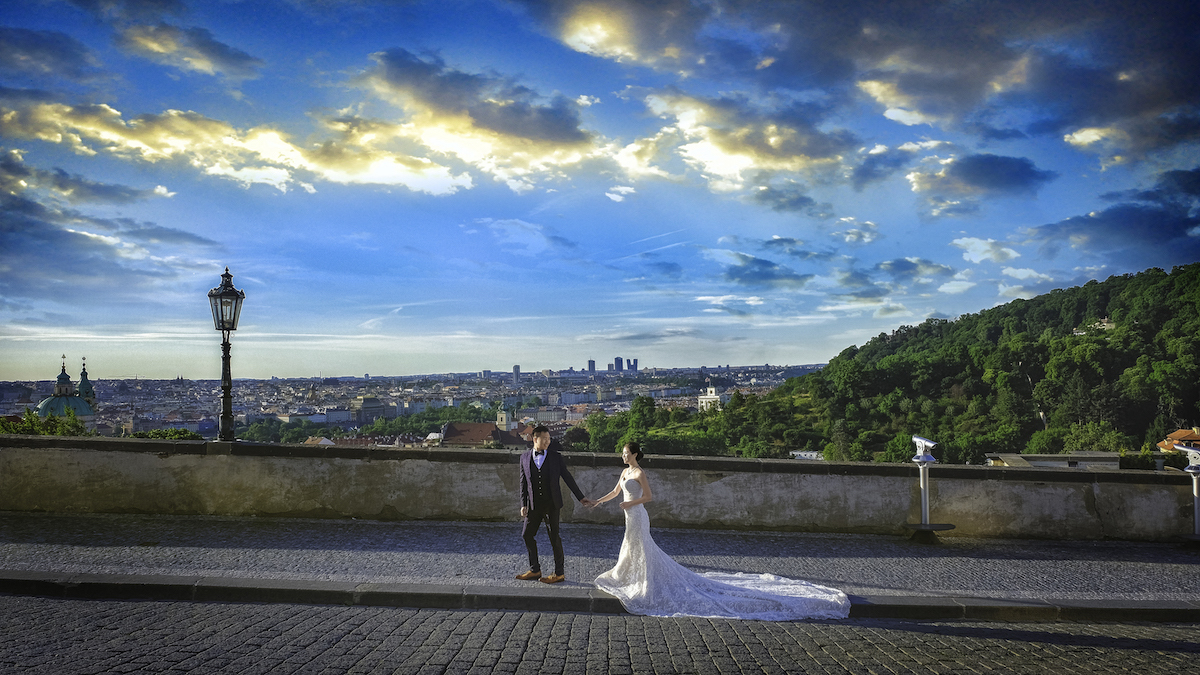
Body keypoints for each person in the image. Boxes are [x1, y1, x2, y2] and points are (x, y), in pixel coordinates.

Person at [590, 441, 851, 620]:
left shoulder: (639, 473)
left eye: (625, 453)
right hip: (628, 516)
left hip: (637, 515)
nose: (623, 456)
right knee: (633, 547)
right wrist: (597, 502)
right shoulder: (624, 473)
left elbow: (649, 497)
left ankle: (645, 581)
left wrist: (630, 503)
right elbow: (615, 492)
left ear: (634, 454)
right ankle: (632, 576)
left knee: (642, 548)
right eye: (623, 453)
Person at [516, 425, 592, 584]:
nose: (547, 442)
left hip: (552, 505)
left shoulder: (556, 457)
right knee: (527, 535)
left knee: (554, 538)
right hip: (533, 506)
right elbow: (523, 483)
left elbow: (568, 478)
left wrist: (580, 497)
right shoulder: (524, 458)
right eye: (544, 439)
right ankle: (535, 569)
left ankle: (559, 573)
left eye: (549, 439)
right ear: (534, 439)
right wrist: (523, 504)